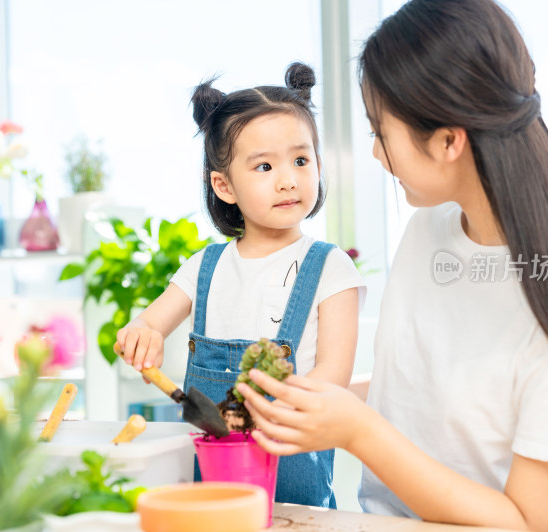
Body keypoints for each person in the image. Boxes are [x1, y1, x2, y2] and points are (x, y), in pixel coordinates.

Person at [235, 1, 548, 532]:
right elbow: (422, 389)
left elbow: (531, 522)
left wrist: (357, 431)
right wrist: (318, 402)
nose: (376, 155)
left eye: (379, 132)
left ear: (448, 140)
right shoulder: (430, 227)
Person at [116, 62, 366, 508]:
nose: (288, 178)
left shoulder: (331, 268)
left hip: (296, 490)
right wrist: (141, 334)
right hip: (211, 491)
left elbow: (333, 378)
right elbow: (151, 323)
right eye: (265, 166)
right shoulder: (204, 267)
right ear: (223, 185)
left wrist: (266, 411)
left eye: (301, 160)